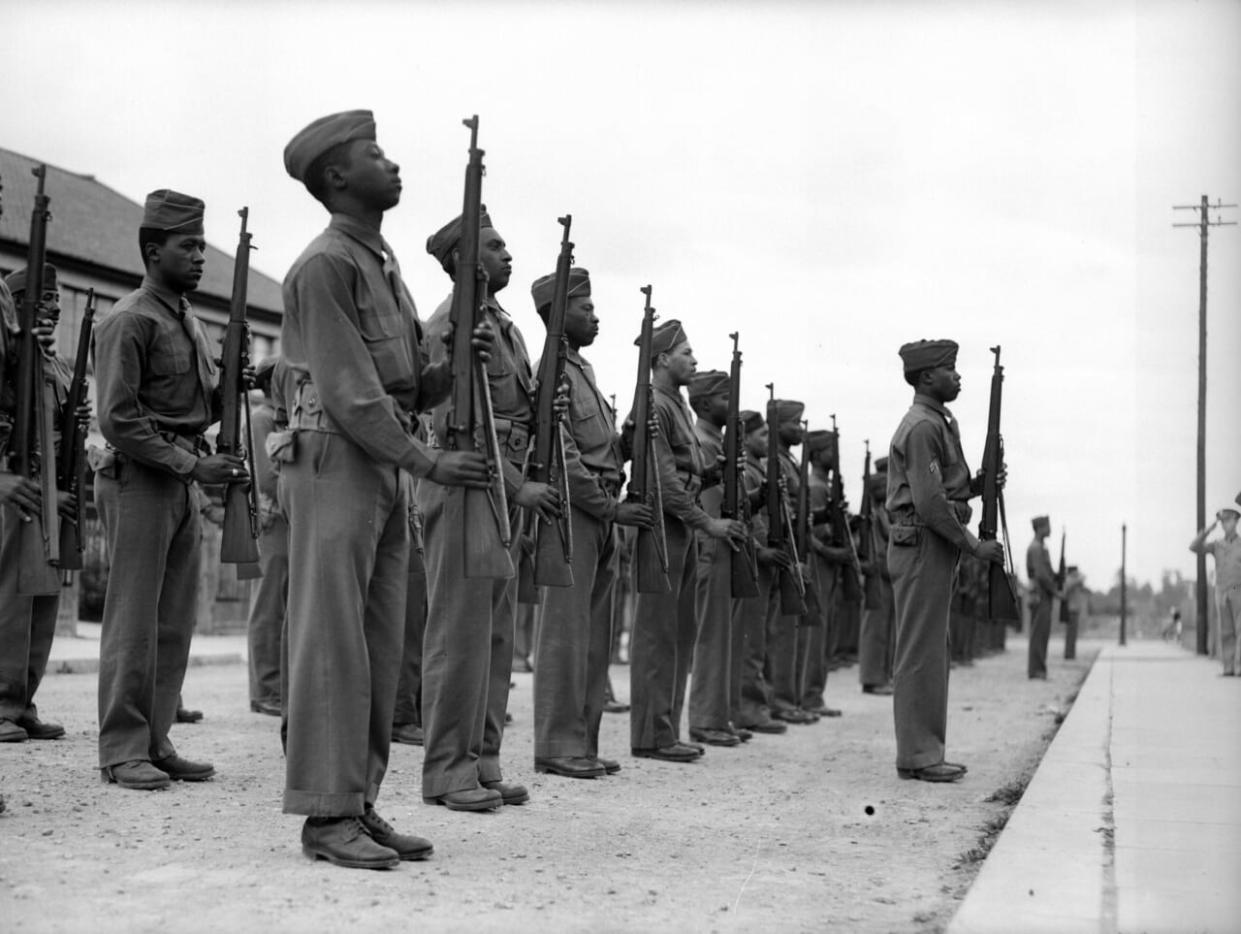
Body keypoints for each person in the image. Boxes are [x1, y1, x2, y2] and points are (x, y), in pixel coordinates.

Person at [280, 110, 492, 868]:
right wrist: (429, 464)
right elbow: (348, 393)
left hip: (375, 461)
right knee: (332, 642)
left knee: (372, 646)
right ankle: (324, 814)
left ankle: (357, 803)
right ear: (337, 176)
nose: (392, 164)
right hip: (337, 458)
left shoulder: (381, 261)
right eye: (376, 154)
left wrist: (448, 368)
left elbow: (397, 386)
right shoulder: (325, 264)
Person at [93, 191, 242, 790]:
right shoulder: (130, 319)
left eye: (203, 244)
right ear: (155, 251)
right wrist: (188, 466)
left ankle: (155, 739)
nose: (202, 256)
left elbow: (194, 403)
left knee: (175, 620)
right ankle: (121, 748)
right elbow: (118, 420)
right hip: (141, 479)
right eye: (189, 246)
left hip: (181, 479)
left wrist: (232, 380)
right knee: (134, 620)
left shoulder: (190, 320)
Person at [419, 208, 558, 811]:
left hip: (502, 489)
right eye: (496, 247)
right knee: (458, 634)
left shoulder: (507, 327)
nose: (508, 255)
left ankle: (485, 760)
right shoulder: (448, 324)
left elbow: (518, 417)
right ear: (462, 259)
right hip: (466, 484)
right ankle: (448, 770)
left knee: (495, 636)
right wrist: (515, 485)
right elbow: (458, 426)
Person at [530, 267, 650, 779]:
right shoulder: (552, 370)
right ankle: (556, 745)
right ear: (559, 315)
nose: (595, 317)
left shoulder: (584, 371)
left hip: (598, 509)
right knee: (564, 635)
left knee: (594, 637)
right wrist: (607, 507)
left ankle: (582, 741)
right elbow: (561, 455)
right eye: (586, 308)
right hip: (575, 513)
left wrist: (627, 442)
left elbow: (597, 450)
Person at [885, 339, 1004, 783]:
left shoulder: (937, 421)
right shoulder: (921, 426)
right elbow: (931, 503)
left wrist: (977, 485)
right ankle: (917, 756)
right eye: (949, 369)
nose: (957, 377)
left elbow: (945, 491)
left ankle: (925, 752)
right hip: (922, 542)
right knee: (920, 651)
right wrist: (975, 546)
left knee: (931, 650)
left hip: (929, 543)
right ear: (926, 377)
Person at [629, 320, 746, 762]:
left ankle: (664, 730)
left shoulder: (673, 404)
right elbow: (663, 480)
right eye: (687, 353)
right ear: (662, 360)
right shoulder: (655, 404)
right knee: (657, 635)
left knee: (677, 633)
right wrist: (708, 524)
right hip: (663, 524)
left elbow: (687, 470)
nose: (694, 361)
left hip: (678, 525)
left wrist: (717, 474)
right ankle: (650, 734)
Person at [0, 264, 73, 743]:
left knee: (44, 593)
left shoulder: (55, 364)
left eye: (56, 302)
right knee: (12, 595)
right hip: (17, 478)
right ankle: (2, 701)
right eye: (44, 299)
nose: (54, 308)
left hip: (52, 484)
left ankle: (23, 699)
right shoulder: (13, 355)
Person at [686, 369, 743, 748]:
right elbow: (709, 506)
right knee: (709, 636)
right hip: (710, 545)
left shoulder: (716, 441)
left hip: (719, 545)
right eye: (725, 399)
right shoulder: (704, 443)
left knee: (721, 635)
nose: (732, 407)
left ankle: (716, 715)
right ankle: (705, 719)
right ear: (705, 403)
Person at [734, 410, 790, 734]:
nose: (769, 442)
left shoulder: (758, 470)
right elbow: (749, 520)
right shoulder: (748, 472)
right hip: (754, 560)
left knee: (759, 639)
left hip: (763, 560)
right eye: (763, 436)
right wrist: (760, 550)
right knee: (751, 641)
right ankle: (748, 709)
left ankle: (755, 705)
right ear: (746, 438)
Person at [765, 400, 817, 725]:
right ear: (779, 426)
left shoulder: (788, 461)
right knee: (781, 636)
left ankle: (788, 698)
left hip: (796, 550)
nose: (799, 428)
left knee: (791, 633)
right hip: (787, 552)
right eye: (794, 423)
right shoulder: (779, 463)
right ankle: (780, 701)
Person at [245, 356, 286, 717]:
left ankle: (277, 686)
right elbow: (267, 474)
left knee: (283, 607)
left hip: (289, 519)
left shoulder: (282, 418)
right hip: (274, 518)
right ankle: (264, 689)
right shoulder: (262, 418)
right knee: (268, 607)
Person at [858, 457, 895, 695]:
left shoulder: (882, 511)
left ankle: (881, 675)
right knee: (875, 631)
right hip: (876, 576)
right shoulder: (870, 514)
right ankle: (871, 678)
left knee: (884, 630)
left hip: (886, 576)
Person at [1190, 505, 1241, 676]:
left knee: (1240, 629)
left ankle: (1239, 667)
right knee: (1225, 631)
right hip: (1221, 590)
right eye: (1223, 521)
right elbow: (1194, 547)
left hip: (1238, 589)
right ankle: (1228, 667)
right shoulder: (1217, 545)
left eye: (1228, 520)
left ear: (1236, 521)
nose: (1224, 524)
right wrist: (1209, 529)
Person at [1026, 515, 1056, 679]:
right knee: (1039, 632)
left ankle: (1038, 668)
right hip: (1040, 594)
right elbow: (1042, 575)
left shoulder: (1040, 547)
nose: (1050, 529)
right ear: (1040, 528)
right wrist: (1055, 590)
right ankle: (1037, 670)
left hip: (1042, 594)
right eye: (1047, 526)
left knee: (1041, 632)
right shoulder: (1036, 548)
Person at [1061, 565, 1086, 660]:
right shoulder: (1069, 580)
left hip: (1075, 609)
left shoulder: (1076, 581)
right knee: (1070, 634)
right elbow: (1067, 588)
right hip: (1071, 609)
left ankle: (1071, 653)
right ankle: (1069, 654)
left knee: (1073, 634)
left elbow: (1082, 584)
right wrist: (1079, 578)